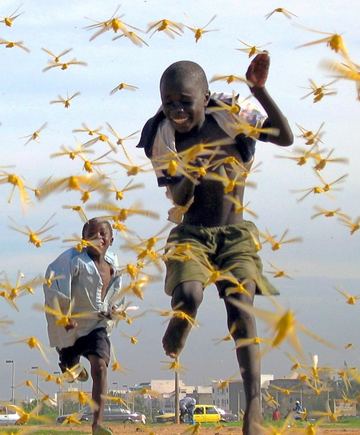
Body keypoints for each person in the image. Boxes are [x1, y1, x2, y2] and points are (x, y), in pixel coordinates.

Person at [137, 53, 293, 435]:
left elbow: (285, 137)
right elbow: (177, 198)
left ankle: (253, 407)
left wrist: (260, 90)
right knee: (190, 293)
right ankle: (181, 317)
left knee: (241, 309)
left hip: (235, 234)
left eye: (184, 102)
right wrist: (190, 173)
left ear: (205, 98)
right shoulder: (163, 136)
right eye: (168, 102)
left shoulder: (231, 116)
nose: (175, 109)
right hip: (192, 234)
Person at [43, 218, 123, 435]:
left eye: (102, 234)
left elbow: (116, 295)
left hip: (96, 326)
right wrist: (63, 313)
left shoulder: (114, 266)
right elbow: (52, 282)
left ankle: (97, 424)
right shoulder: (72, 260)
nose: (98, 238)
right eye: (92, 235)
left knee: (100, 367)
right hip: (72, 327)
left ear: (111, 240)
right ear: (83, 240)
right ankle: (69, 362)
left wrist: (114, 310)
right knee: (70, 363)